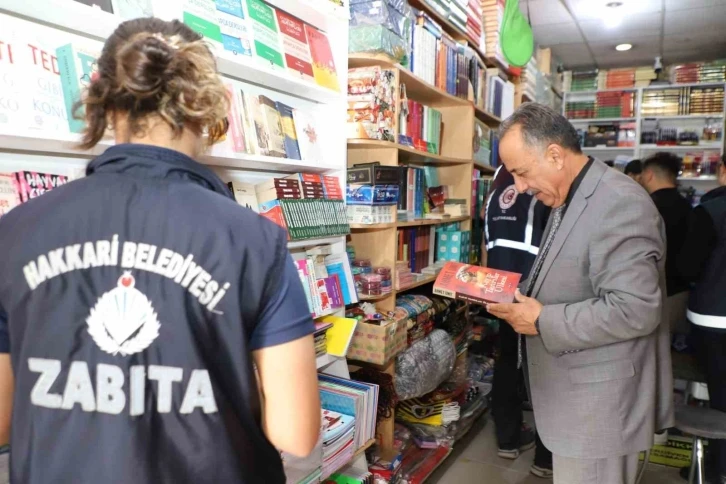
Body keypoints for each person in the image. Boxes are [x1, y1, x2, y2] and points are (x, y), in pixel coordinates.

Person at [0, 18, 320, 483]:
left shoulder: (14, 232)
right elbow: (296, 434)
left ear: (105, 102)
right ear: (207, 105)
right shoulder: (254, 239)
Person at [487, 103, 673, 484]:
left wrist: (540, 319)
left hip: (601, 408)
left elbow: (635, 309)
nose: (519, 187)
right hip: (577, 400)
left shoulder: (618, 202)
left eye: (522, 173)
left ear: (555, 155)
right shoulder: (568, 194)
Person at [484, 166, 553, 478]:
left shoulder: (493, 195)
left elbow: (488, 247)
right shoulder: (540, 191)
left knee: (507, 363)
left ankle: (508, 440)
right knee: (544, 375)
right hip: (536, 294)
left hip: (501, 290)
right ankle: (545, 457)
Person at [677, 154, 726, 484]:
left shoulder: (710, 210)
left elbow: (688, 268)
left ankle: (715, 468)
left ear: (722, 171)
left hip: (713, 321)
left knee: (720, 399)